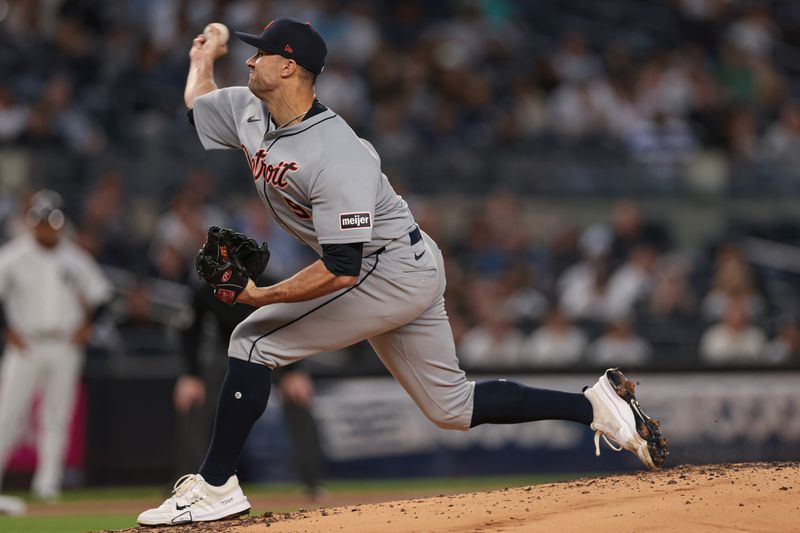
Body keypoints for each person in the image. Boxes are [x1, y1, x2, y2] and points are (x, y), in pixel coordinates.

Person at [137, 19, 668, 525]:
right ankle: (595, 407)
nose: (250, 61)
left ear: (289, 69)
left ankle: (215, 487)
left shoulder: (337, 153)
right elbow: (197, 105)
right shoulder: (248, 109)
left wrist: (261, 296)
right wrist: (201, 58)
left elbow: (342, 269)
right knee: (451, 407)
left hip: (385, 269)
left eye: (262, 54)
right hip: (399, 262)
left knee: (252, 341)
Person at [0, 190, 112, 501]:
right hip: (26, 344)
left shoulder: (74, 258)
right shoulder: (13, 255)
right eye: (42, 221)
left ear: (60, 223)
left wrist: (87, 326)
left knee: (57, 416)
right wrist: (5, 330)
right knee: (8, 414)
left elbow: (101, 295)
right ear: (32, 222)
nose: (47, 228)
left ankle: (47, 484)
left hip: (64, 344)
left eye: (53, 222)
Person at [173, 280, 325, 499]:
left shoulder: (272, 282)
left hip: (274, 349)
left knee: (298, 395)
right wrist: (191, 374)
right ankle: (188, 482)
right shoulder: (209, 287)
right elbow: (190, 329)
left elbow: (294, 322)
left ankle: (313, 482)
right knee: (192, 398)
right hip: (231, 352)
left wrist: (295, 369)